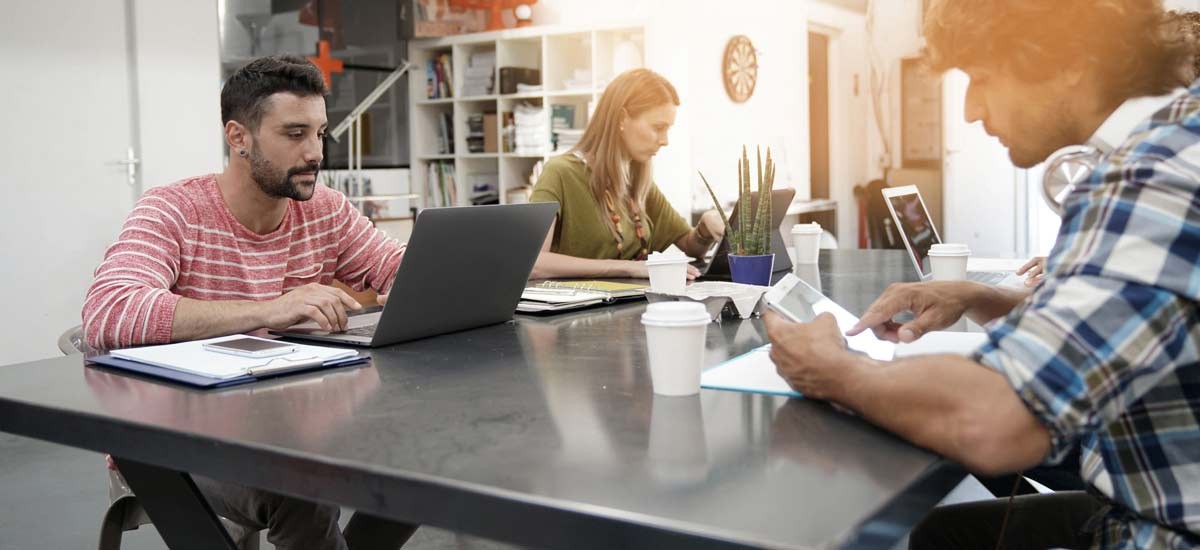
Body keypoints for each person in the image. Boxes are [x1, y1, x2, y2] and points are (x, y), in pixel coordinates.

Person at [765, 1, 1199, 548]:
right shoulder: (1177, 144)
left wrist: (834, 370)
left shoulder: (1151, 180)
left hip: (1161, 530)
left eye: (981, 79)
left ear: (1071, 61)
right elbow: (1130, 314)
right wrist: (975, 295)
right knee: (943, 532)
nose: (970, 110)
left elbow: (998, 423)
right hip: (1143, 494)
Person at [81, 55, 416, 550]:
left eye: (320, 133)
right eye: (294, 133)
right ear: (238, 137)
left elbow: (394, 269)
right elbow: (109, 311)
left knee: (427, 460)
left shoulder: (324, 208)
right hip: (172, 439)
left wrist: (441, 266)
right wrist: (268, 309)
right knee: (303, 483)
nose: (314, 153)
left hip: (288, 421)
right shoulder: (174, 209)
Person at [528, 68, 724, 279]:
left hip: (629, 306)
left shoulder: (637, 181)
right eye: (658, 127)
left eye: (668, 129)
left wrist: (704, 226)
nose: (665, 140)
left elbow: (689, 246)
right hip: (577, 310)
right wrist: (628, 267)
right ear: (622, 118)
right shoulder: (560, 173)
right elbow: (532, 262)